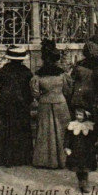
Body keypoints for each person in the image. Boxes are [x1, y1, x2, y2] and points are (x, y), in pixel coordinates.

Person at [31, 40, 73, 169]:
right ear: (56, 60)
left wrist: (42, 98)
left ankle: (45, 160)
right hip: (60, 103)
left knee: (45, 132)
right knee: (62, 131)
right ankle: (63, 159)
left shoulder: (38, 76)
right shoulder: (62, 75)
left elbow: (35, 93)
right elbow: (67, 90)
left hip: (44, 104)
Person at [0, 46, 34, 167]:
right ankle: (22, 158)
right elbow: (29, 91)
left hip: (6, 104)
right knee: (21, 130)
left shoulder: (4, 70)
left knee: (6, 130)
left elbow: (1, 88)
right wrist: (27, 101)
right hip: (21, 105)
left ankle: (5, 158)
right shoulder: (26, 72)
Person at [64, 105, 97, 194]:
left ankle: (85, 182)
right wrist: (67, 147)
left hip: (86, 150)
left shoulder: (89, 125)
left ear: (85, 116)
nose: (78, 117)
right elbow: (68, 137)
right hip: (76, 150)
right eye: (77, 115)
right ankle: (81, 182)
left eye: (80, 115)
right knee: (78, 167)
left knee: (85, 167)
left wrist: (94, 146)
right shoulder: (72, 125)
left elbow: (92, 138)